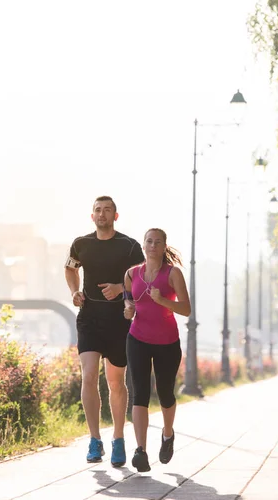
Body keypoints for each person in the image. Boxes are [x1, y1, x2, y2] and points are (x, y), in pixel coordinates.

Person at [65, 196, 144, 467]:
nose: (102, 214)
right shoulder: (81, 244)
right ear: (92, 216)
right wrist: (75, 291)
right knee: (88, 376)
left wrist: (121, 289)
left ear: (115, 216)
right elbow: (70, 268)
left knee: (115, 382)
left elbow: (143, 278)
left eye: (107, 210)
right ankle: (94, 439)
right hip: (89, 319)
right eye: (98, 210)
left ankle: (118, 439)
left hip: (119, 321)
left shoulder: (130, 246)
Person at [123, 228, 191, 472]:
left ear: (164, 247)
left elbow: (186, 309)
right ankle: (140, 451)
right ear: (143, 245)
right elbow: (128, 303)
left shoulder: (173, 274)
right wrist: (128, 310)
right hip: (138, 339)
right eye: (149, 241)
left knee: (164, 393)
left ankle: (168, 434)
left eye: (157, 242)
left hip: (167, 342)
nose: (152, 245)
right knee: (139, 393)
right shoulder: (131, 274)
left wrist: (162, 300)